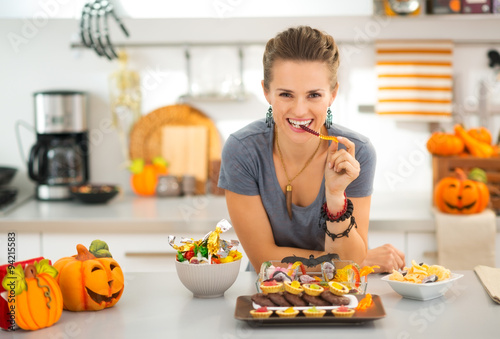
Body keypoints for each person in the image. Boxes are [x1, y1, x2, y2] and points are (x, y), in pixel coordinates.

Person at [218, 26, 404, 273]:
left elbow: (349, 265)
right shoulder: (242, 151)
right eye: (286, 94)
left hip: (341, 301)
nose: (299, 110)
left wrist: (336, 196)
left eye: (314, 95)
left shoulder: (356, 153)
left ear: (333, 94)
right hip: (269, 299)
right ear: (266, 92)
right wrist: (357, 260)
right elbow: (263, 260)